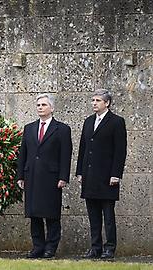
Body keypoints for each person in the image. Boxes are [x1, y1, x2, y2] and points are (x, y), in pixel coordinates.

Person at [17, 93, 72, 259]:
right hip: (32, 176)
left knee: (51, 214)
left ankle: (50, 248)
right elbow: (23, 154)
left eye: (43, 105)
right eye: (38, 105)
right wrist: (20, 175)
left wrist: (63, 177)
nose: (40, 107)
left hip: (51, 178)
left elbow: (65, 155)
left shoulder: (62, 129)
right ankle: (38, 247)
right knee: (34, 214)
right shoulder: (29, 128)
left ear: (52, 108)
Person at [76, 89, 127, 259]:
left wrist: (116, 174)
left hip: (107, 178)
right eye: (93, 100)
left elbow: (120, 151)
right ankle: (95, 247)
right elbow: (83, 148)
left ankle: (109, 248)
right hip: (90, 176)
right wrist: (80, 172)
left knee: (108, 215)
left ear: (107, 103)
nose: (94, 103)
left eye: (97, 100)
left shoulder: (117, 122)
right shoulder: (88, 122)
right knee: (93, 216)